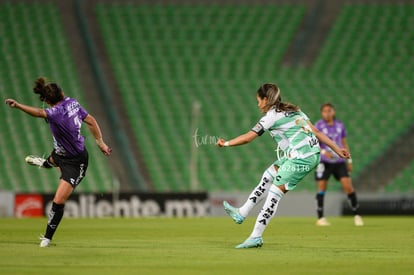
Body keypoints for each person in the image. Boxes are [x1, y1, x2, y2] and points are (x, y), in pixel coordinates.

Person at [217, 83, 350, 249]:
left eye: (258, 100)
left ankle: (255, 236)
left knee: (274, 193)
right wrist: (337, 149)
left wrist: (226, 143)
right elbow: (316, 131)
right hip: (301, 154)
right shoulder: (294, 109)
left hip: (302, 158)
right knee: (268, 176)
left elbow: (248, 138)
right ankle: (242, 212)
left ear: (266, 99)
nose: (258, 104)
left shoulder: (271, 116)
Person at [5, 77, 112, 247]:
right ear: (62, 93)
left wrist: (17, 105)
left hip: (76, 163)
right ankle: (46, 163)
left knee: (58, 200)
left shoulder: (54, 113)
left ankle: (47, 238)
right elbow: (91, 120)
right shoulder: (73, 103)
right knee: (54, 160)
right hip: (61, 153)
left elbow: (40, 113)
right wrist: (101, 143)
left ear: (47, 101)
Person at [314, 103, 363, 226]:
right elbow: (314, 144)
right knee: (321, 187)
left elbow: (344, 144)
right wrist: (324, 152)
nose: (327, 113)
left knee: (348, 186)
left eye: (329, 111)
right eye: (324, 111)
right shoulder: (318, 125)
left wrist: (349, 160)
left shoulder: (340, 125)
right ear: (321, 113)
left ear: (333, 112)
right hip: (324, 161)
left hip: (339, 161)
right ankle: (320, 218)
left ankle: (357, 215)